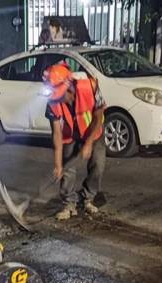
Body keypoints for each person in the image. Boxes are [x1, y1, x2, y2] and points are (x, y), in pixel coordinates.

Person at [43, 62, 106, 221]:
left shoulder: (90, 85)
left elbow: (98, 116)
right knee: (67, 170)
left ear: (68, 86)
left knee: (98, 165)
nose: (57, 99)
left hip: (93, 131)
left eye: (59, 95)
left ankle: (88, 198)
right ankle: (68, 203)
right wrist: (58, 165)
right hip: (70, 134)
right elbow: (56, 134)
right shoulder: (52, 102)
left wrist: (88, 143)